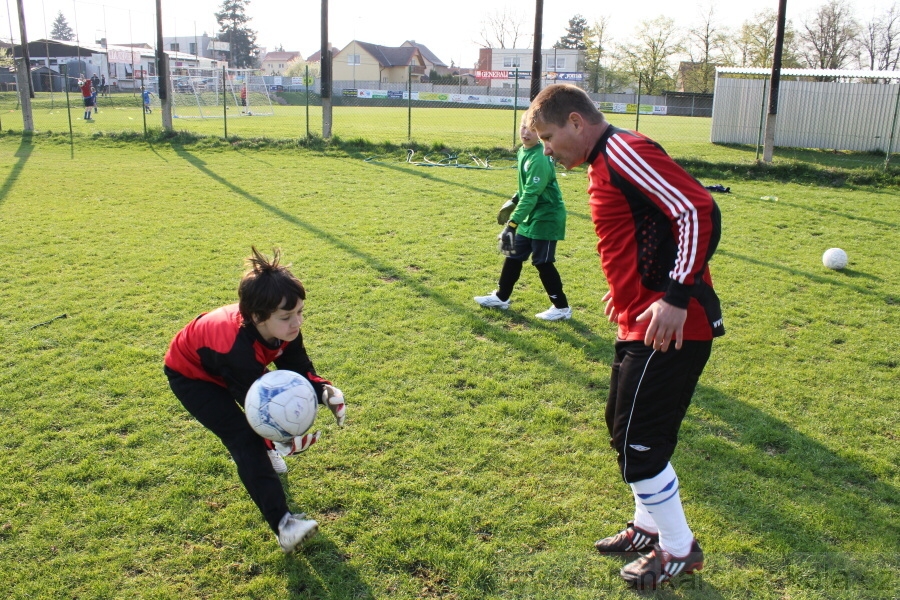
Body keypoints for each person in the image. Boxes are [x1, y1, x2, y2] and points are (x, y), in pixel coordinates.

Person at [528, 84, 725, 590]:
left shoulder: (622, 150)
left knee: (640, 446)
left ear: (576, 122)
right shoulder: (602, 161)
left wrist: (674, 297)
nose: (547, 150)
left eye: (548, 138)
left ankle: (678, 550)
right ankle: (647, 527)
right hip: (639, 319)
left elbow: (697, 210)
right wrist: (628, 289)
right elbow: (645, 231)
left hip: (672, 327)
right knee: (625, 431)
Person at [164, 247, 347, 553]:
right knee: (244, 440)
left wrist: (324, 391)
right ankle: (284, 526)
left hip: (231, 368)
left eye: (300, 312)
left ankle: (269, 457)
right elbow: (259, 412)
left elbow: (298, 368)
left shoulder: (284, 328)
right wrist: (281, 440)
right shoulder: (235, 349)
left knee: (259, 439)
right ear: (257, 317)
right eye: (287, 316)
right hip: (192, 377)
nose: (297, 322)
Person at [474, 111, 571, 321]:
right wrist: (513, 200)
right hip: (530, 215)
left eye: (532, 129)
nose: (526, 132)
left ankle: (562, 307)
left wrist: (512, 224)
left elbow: (532, 194)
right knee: (514, 255)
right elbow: (525, 189)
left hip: (546, 217)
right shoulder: (523, 151)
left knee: (542, 262)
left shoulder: (539, 158)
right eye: (523, 127)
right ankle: (501, 297)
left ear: (541, 132)